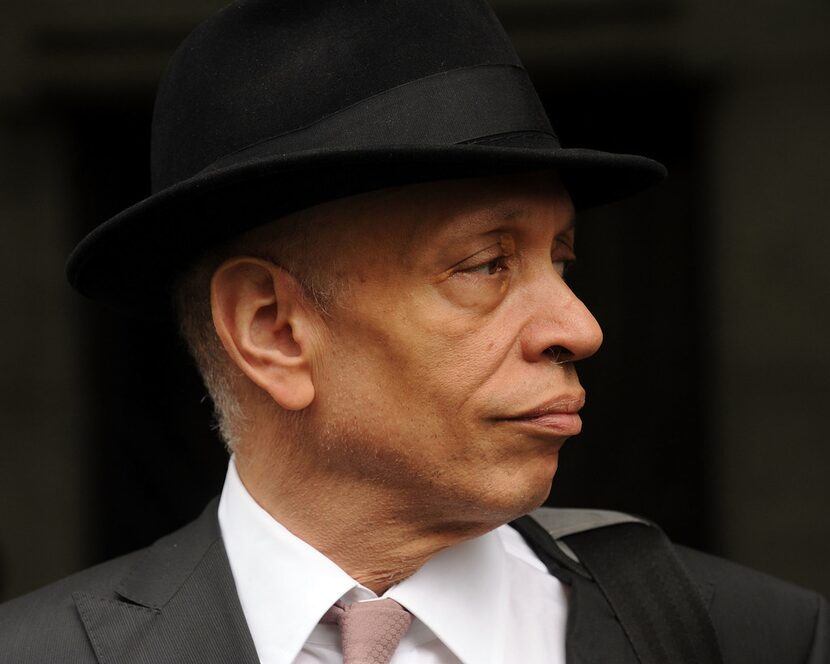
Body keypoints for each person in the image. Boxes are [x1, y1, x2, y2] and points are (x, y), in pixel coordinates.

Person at [0, 1, 826, 663]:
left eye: (561, 261)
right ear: (274, 329)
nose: (579, 326)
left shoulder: (750, 637)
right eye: (485, 265)